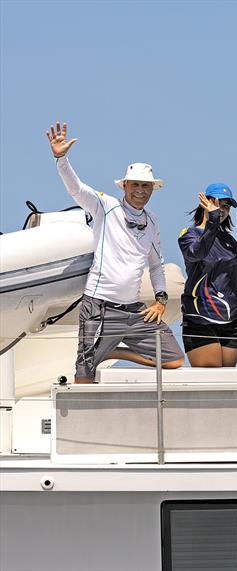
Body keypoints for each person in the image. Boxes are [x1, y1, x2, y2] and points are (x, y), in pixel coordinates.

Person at [46, 122, 184, 383]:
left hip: (133, 311)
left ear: (153, 189)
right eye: (135, 185)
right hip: (99, 306)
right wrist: (61, 158)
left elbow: (156, 265)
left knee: (174, 359)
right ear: (124, 186)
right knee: (84, 376)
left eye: (146, 186)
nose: (141, 191)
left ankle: (115, 351)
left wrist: (160, 300)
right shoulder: (106, 206)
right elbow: (76, 189)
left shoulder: (152, 221)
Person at [178, 184, 237, 367]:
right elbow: (196, 253)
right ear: (204, 203)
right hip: (201, 318)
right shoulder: (189, 234)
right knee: (210, 379)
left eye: (225, 206)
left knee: (226, 384)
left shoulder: (230, 240)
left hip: (232, 319)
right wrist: (213, 220)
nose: (221, 209)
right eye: (216, 203)